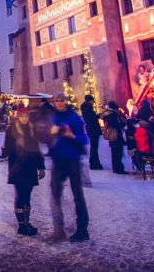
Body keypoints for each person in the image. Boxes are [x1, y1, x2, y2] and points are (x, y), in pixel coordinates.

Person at [47, 93, 90, 242]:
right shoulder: (52, 117)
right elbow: (45, 136)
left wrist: (72, 136)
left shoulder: (74, 117)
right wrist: (49, 133)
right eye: (56, 100)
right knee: (55, 195)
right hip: (58, 160)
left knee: (78, 195)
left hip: (72, 160)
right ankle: (58, 230)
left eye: (61, 100)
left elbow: (85, 139)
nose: (58, 103)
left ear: (65, 101)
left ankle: (83, 230)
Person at [3, 106, 45, 236]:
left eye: (26, 116)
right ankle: (21, 226)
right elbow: (8, 150)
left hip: (30, 167)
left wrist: (41, 166)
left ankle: (27, 222)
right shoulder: (11, 129)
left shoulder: (31, 129)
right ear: (17, 116)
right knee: (21, 195)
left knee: (27, 196)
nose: (24, 118)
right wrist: (10, 149)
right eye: (21, 116)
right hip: (18, 168)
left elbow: (37, 149)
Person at [100, 101, 128, 174]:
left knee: (115, 152)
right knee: (117, 152)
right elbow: (114, 123)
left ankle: (116, 167)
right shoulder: (112, 114)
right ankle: (119, 168)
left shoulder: (108, 113)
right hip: (116, 134)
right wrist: (122, 123)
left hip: (112, 134)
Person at [80, 95, 103, 170]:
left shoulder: (86, 108)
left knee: (94, 147)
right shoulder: (88, 109)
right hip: (93, 130)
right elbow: (90, 119)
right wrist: (98, 116)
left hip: (92, 129)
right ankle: (94, 164)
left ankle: (94, 163)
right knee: (94, 147)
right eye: (92, 100)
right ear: (89, 101)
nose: (93, 101)